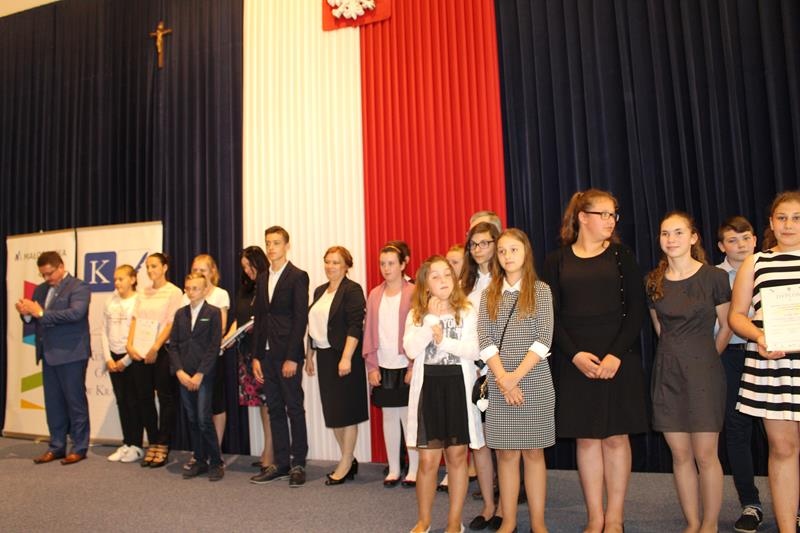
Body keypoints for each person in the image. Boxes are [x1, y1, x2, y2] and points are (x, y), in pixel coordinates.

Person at [541, 189, 648, 533]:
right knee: (586, 438)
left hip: (618, 357)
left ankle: (614, 517)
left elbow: (636, 310)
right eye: (603, 214)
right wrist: (574, 355)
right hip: (576, 360)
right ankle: (595, 517)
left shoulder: (621, 256)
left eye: (613, 214)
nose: (610, 220)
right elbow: (550, 316)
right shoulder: (556, 260)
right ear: (583, 217)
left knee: (616, 438)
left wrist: (616, 354)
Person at [646, 211, 732, 533]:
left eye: (678, 232)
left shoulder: (714, 277)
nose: (671, 239)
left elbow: (726, 327)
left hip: (704, 373)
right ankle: (693, 522)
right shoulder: (653, 281)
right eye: (665, 233)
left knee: (706, 455)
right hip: (667, 374)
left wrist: (705, 357)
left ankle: (709, 523)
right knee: (680, 455)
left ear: (693, 237)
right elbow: (660, 329)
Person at [729, 191, 800, 533]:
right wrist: (759, 337)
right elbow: (736, 316)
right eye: (782, 217)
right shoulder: (755, 262)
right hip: (774, 368)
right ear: (771, 222)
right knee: (783, 448)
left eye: (796, 218)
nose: (788, 224)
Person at [478, 228, 555, 533]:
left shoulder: (541, 290)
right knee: (506, 454)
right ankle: (508, 521)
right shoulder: (489, 294)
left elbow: (543, 339)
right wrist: (503, 378)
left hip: (533, 380)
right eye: (502, 251)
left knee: (534, 454)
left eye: (514, 250)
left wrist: (515, 378)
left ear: (526, 253)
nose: (507, 256)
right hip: (500, 382)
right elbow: (485, 340)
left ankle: (538, 522)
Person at [403, 255, 482, 533]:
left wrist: (444, 340)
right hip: (429, 389)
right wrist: (431, 321)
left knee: (457, 457)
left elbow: (474, 350)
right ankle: (423, 520)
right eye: (435, 276)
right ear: (426, 284)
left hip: (458, 388)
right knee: (427, 460)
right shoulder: (417, 314)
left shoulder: (467, 310)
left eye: (447, 274)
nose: (443, 280)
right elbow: (411, 350)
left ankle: (453, 522)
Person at [16, 251, 91, 465]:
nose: (46, 278)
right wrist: (26, 313)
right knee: (54, 404)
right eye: (43, 274)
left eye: (49, 273)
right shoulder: (40, 289)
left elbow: (75, 314)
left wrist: (40, 313)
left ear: (61, 267)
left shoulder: (78, 287)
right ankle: (56, 446)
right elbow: (34, 319)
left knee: (75, 402)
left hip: (72, 353)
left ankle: (79, 447)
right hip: (48, 353)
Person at [250, 226, 310, 487]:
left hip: (287, 355)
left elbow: (300, 319)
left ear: (287, 245)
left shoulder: (298, 276)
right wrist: (256, 356)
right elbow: (260, 319)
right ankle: (282, 463)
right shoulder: (262, 277)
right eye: (268, 243)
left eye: (276, 243)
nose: (271, 247)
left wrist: (292, 357)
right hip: (266, 355)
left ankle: (299, 463)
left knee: (294, 408)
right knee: (274, 408)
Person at [715, 216, 764, 532]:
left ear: (755, 239)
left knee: (784, 435)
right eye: (732, 240)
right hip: (731, 356)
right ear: (722, 246)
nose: (740, 245)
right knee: (736, 429)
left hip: (774, 356)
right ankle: (751, 503)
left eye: (746, 238)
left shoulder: (773, 267)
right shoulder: (714, 277)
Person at [305, 246, 368, 485]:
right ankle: (348, 458)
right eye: (328, 262)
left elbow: (355, 325)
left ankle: (345, 461)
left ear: (346, 266)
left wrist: (346, 357)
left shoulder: (352, 290)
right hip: (324, 357)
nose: (330, 266)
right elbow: (313, 326)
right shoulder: (320, 290)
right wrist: (309, 355)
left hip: (344, 357)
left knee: (347, 413)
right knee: (333, 413)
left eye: (336, 262)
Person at [363, 243, 419, 487]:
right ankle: (394, 468)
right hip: (383, 364)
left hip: (406, 363)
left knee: (409, 417)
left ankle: (414, 469)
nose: (386, 268)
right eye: (382, 263)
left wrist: (412, 365)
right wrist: (372, 366)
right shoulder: (375, 294)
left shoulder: (414, 292)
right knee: (388, 416)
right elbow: (369, 331)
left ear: (403, 264)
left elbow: (418, 331)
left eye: (391, 263)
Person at [460, 221, 504, 530]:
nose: (478, 249)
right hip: (470, 370)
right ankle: (488, 506)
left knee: (501, 442)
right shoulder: (465, 283)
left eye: (484, 243)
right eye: (473, 244)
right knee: (479, 443)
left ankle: (503, 507)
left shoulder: (506, 280)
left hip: (499, 369)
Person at [126, 253, 183, 468]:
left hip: (161, 351)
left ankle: (163, 443)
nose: (150, 270)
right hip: (140, 351)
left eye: (154, 266)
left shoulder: (174, 292)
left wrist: (155, 347)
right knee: (144, 398)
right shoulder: (142, 292)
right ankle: (152, 441)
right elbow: (135, 319)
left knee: (166, 398)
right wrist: (129, 344)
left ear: (165, 267)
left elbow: (171, 323)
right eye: (148, 267)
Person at [170, 273, 224, 481]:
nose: (191, 292)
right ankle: (200, 459)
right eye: (188, 288)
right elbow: (174, 345)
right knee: (192, 419)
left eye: (196, 288)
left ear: (205, 290)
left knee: (203, 419)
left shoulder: (213, 313)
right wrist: (179, 371)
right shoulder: (180, 314)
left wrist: (200, 373)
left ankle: (216, 462)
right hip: (184, 375)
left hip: (204, 375)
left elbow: (214, 346)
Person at [181, 254, 230, 471]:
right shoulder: (186, 295)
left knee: (214, 405)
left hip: (211, 360)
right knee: (194, 412)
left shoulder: (220, 295)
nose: (199, 273)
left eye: (203, 270)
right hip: (189, 362)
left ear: (212, 272)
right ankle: (199, 453)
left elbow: (221, 328)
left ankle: (214, 452)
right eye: (195, 269)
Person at [226, 246, 273, 469]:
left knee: (269, 404)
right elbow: (239, 318)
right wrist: (227, 338)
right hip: (245, 352)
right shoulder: (245, 289)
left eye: (250, 265)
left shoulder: (269, 285)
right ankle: (267, 450)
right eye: (243, 267)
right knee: (261, 404)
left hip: (263, 352)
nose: (247, 270)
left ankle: (271, 452)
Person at [102, 265, 143, 463]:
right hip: (113, 357)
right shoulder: (110, 300)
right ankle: (127, 443)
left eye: (121, 279)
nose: (117, 283)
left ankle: (137, 446)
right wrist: (108, 358)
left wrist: (126, 360)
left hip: (131, 357)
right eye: (115, 279)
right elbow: (103, 330)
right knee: (122, 401)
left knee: (134, 401)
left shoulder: (139, 300)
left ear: (133, 280)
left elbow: (141, 333)